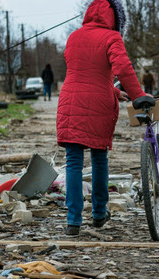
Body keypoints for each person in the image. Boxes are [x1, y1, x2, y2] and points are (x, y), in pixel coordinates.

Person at [56, 0, 147, 236]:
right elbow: (122, 67)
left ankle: (73, 222)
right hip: (98, 105)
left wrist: (117, 92)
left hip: (70, 101)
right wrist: (138, 96)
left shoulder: (74, 37)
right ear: (115, 19)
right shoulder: (111, 37)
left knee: (73, 163)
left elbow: (85, 74)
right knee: (98, 158)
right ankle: (98, 214)